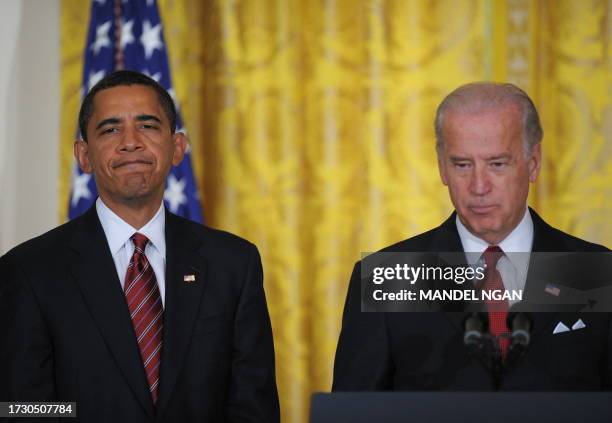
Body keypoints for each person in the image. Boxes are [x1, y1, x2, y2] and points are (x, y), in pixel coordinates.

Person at [0, 70, 280, 422]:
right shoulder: (29, 271)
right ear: (83, 155)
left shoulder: (233, 264)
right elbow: (24, 410)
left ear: (177, 147)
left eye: (147, 126)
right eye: (110, 129)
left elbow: (253, 408)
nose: (130, 141)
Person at [333, 82, 611, 391]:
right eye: (462, 164)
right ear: (442, 168)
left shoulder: (596, 272)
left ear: (533, 163)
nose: (479, 186)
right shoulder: (389, 278)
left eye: (497, 164)